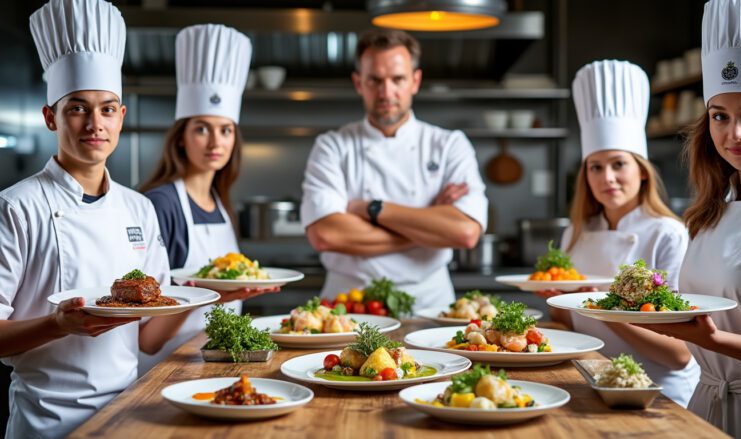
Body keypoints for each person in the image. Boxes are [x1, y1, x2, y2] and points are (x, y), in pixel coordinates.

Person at [0, 0, 191, 437]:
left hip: (127, 415)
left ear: (121, 118)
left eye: (107, 109)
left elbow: (148, 337)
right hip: (48, 422)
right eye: (77, 108)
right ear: (51, 117)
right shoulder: (16, 206)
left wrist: (203, 294)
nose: (94, 123)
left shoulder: (138, 208)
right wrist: (57, 324)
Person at [637, 0, 741, 436]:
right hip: (706, 408)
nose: (736, 134)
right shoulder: (709, 211)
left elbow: (711, 335)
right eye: (720, 116)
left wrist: (711, 341)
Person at [535, 60, 699, 406]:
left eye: (618, 164)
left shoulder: (668, 234)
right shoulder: (574, 235)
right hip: (590, 378)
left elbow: (679, 354)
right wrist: (557, 300)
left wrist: (599, 308)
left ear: (641, 172)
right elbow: (567, 323)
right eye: (596, 167)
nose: (606, 178)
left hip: (658, 391)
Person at [300, 28, 488, 310]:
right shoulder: (332, 146)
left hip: (430, 305)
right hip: (349, 305)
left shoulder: (449, 144)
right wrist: (428, 226)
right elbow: (326, 235)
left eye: (397, 79)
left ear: (415, 80)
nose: (386, 92)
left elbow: (465, 232)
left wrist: (371, 209)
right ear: (358, 83)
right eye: (375, 80)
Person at [138, 24, 275, 375]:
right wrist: (205, 292)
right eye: (201, 128)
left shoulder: (219, 202)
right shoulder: (161, 204)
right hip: (165, 371)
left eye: (225, 129)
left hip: (214, 365)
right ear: (181, 137)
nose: (215, 141)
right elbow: (146, 338)